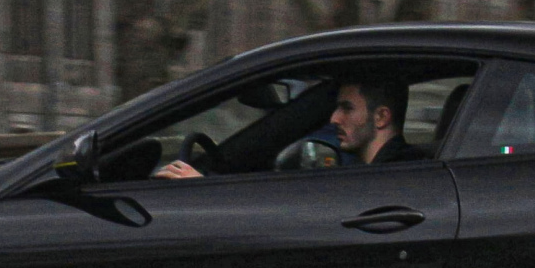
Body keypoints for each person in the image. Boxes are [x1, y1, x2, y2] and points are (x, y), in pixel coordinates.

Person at [156, 76, 418, 178]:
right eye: (335, 108)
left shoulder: (399, 173)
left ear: (381, 117)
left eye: (347, 108)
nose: (334, 119)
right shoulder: (373, 170)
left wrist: (206, 193)